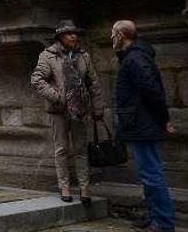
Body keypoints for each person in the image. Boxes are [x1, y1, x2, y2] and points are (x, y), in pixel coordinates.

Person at [31, 20, 105, 203]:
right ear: (60, 37)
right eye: (69, 33)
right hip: (59, 111)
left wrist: (97, 107)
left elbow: (93, 83)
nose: (74, 36)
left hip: (79, 109)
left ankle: (84, 187)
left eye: (75, 33)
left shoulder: (83, 56)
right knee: (62, 149)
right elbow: (37, 80)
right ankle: (64, 186)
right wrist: (57, 96)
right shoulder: (48, 56)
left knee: (80, 149)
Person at [112, 20, 176, 232]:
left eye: (113, 33)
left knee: (151, 173)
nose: (111, 38)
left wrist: (163, 119)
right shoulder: (133, 57)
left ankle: (163, 223)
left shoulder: (136, 58)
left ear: (121, 35)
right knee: (147, 173)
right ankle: (154, 216)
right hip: (141, 122)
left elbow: (153, 91)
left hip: (143, 123)